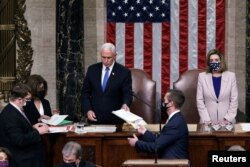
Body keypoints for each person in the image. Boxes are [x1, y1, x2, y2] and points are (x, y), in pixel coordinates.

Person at [127, 89, 189, 159]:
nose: (162, 103)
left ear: (171, 103)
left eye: (164, 100)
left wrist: (136, 143)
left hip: (176, 163)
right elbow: (160, 140)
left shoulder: (175, 123)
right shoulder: (175, 119)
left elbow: (156, 147)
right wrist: (144, 132)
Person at [81, 43, 133, 124]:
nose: (106, 60)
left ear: (115, 56)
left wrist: (125, 104)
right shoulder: (92, 70)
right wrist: (88, 110)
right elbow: (85, 93)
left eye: (109, 57)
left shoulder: (124, 72)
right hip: (95, 119)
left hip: (115, 120)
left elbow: (127, 93)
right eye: (103, 57)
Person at [0, 83, 49, 167]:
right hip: (23, 160)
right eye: (27, 99)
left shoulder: (15, 110)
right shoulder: (10, 115)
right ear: (19, 99)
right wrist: (37, 131)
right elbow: (19, 140)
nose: (28, 102)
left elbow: (19, 129)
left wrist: (32, 127)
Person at [196, 49, 238, 124]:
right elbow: (199, 100)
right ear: (209, 63)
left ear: (221, 61)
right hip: (207, 122)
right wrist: (206, 119)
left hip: (227, 122)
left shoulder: (231, 76)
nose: (214, 62)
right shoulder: (202, 77)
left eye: (216, 60)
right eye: (211, 60)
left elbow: (234, 100)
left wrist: (228, 119)